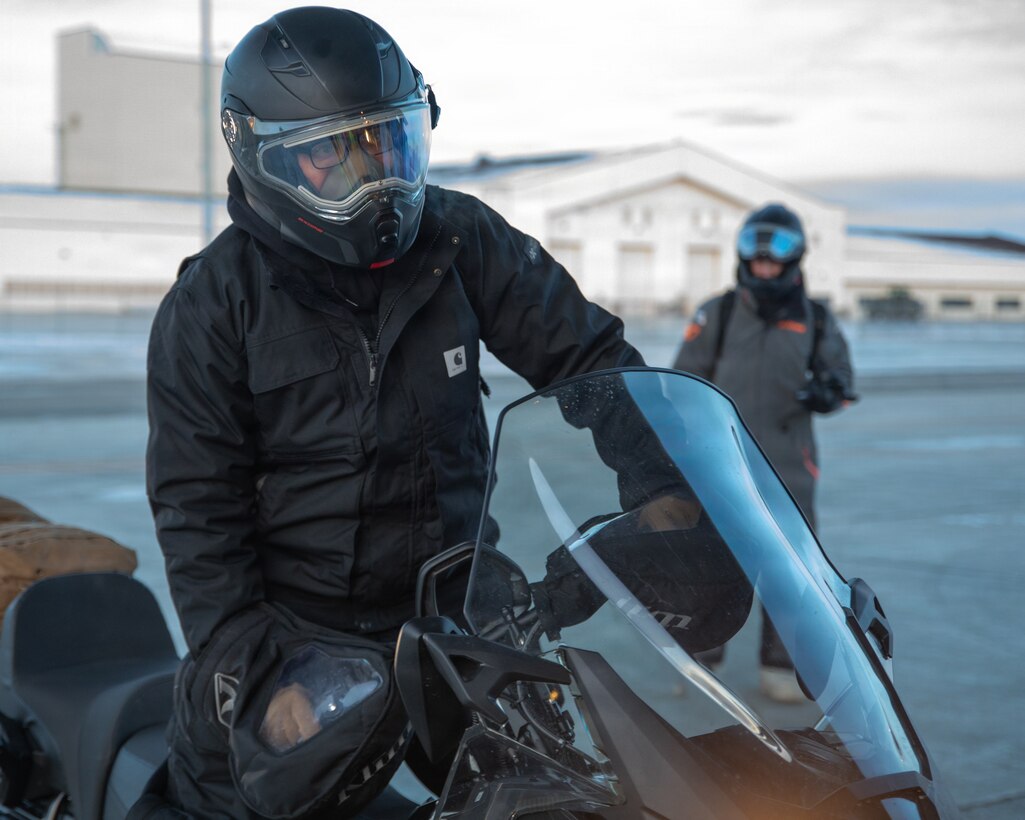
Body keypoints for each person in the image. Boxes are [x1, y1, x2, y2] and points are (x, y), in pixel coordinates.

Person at [142, 7, 647, 818]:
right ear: (264, 157)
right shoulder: (215, 301)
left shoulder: (460, 239)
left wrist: (668, 486)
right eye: (333, 156)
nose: (375, 179)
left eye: (388, 143)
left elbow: (591, 360)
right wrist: (250, 662)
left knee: (569, 796)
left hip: (454, 613)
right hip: (295, 639)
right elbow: (196, 509)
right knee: (228, 803)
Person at [671, 202, 855, 703]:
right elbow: (681, 378)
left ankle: (780, 668)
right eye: (757, 255)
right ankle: (701, 661)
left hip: (788, 465)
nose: (765, 265)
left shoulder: (815, 319)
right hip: (720, 461)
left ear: (794, 259)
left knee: (788, 567)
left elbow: (841, 378)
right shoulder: (719, 312)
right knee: (712, 560)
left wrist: (829, 391)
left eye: (776, 256)